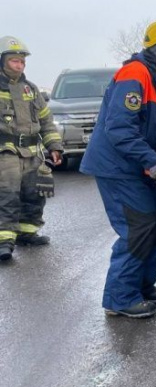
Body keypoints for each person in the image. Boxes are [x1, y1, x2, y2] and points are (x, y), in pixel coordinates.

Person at [80, 20, 156, 318]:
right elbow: (119, 129)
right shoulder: (134, 74)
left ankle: (140, 285)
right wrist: (153, 161)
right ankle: (119, 297)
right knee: (138, 226)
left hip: (130, 165)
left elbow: (150, 133)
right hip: (116, 167)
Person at [0, 36, 63, 262]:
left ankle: (27, 232)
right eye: (14, 61)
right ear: (2, 61)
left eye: (22, 62)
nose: (19, 65)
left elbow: (46, 120)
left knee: (35, 192)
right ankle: (4, 241)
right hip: (4, 151)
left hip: (32, 151)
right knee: (7, 194)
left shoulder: (31, 89)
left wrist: (54, 146)